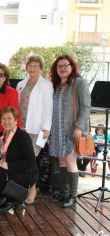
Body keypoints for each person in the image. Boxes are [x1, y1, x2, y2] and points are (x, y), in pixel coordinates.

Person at [49, 54, 91, 208]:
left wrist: (79, 127)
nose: (63, 68)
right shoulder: (55, 85)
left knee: (70, 160)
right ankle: (64, 193)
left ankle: (73, 195)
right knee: (61, 161)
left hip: (72, 129)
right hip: (56, 130)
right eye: (59, 66)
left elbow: (86, 107)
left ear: (72, 67)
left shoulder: (79, 83)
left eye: (66, 65)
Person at [0, 106, 39, 212]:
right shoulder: (0, 135)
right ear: (0, 121)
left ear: (15, 120)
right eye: (3, 119)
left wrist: (8, 166)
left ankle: (12, 200)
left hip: (25, 173)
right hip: (9, 172)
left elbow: (31, 161)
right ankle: (14, 192)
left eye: (9, 118)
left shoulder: (22, 136)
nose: (6, 122)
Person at [16, 55, 53, 204]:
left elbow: (48, 107)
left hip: (37, 129)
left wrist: (46, 128)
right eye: (30, 65)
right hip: (21, 128)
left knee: (31, 159)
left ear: (41, 68)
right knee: (21, 159)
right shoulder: (20, 84)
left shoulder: (46, 85)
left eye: (36, 65)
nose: (32, 68)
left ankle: (32, 189)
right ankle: (21, 188)